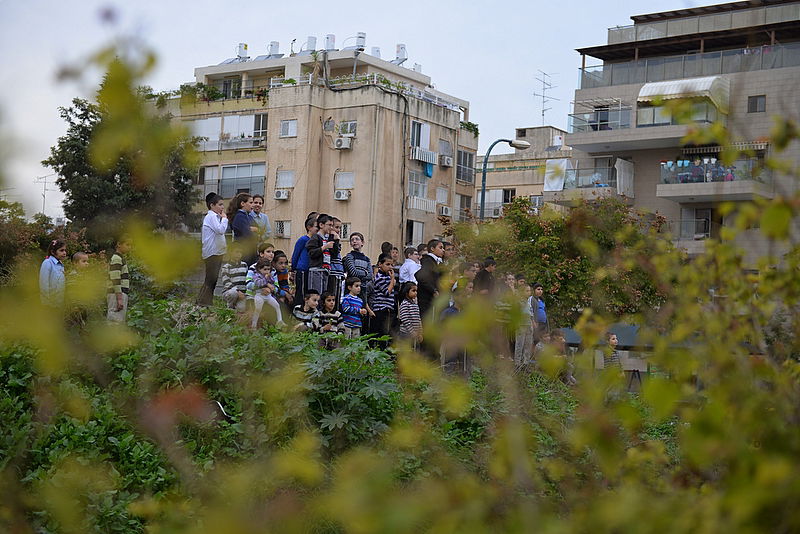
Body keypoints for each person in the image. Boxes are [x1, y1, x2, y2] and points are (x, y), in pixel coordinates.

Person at [197, 193, 228, 307]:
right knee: (210, 280)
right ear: (212, 205)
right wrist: (225, 219)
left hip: (217, 252)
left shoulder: (215, 217)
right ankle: (201, 303)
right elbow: (220, 230)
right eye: (220, 205)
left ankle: (206, 303)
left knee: (212, 280)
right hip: (212, 253)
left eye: (222, 205)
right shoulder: (211, 216)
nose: (222, 207)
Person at [306, 213, 341, 297]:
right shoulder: (316, 237)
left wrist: (336, 241)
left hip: (326, 270)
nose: (331, 228)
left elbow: (335, 254)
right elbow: (311, 252)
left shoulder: (328, 238)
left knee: (323, 295)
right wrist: (324, 247)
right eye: (329, 225)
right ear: (321, 225)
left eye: (332, 225)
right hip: (316, 269)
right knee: (316, 294)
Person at [246, 257, 284, 329]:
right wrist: (266, 282)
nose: (267, 271)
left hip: (268, 296)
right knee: (258, 310)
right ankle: (254, 325)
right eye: (265, 269)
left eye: (268, 269)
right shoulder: (256, 275)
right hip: (259, 295)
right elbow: (258, 283)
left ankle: (280, 321)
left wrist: (270, 281)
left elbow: (273, 283)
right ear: (259, 269)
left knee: (277, 305)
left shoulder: (269, 274)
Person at [291, 215, 318, 307]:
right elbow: (296, 254)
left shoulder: (317, 241)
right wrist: (293, 269)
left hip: (311, 271)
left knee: (308, 293)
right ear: (309, 227)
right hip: (302, 270)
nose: (318, 229)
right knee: (301, 292)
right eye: (316, 226)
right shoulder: (303, 240)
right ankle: (297, 311)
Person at [369, 253, 397, 340]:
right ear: (380, 264)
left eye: (391, 265)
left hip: (388, 308)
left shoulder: (387, 276)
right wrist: (392, 279)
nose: (390, 267)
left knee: (388, 334)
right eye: (387, 264)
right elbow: (387, 292)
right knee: (380, 334)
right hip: (380, 309)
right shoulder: (379, 277)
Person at [415, 239, 445, 319]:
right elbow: (420, 276)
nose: (443, 250)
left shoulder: (438, 262)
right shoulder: (428, 261)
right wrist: (433, 290)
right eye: (440, 248)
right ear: (432, 249)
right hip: (427, 299)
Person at [107, 236, 131, 323]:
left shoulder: (120, 258)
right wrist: (119, 298)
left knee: (119, 320)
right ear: (119, 244)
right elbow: (115, 279)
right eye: (127, 244)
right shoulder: (117, 258)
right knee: (115, 321)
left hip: (119, 293)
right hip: (116, 294)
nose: (129, 247)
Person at [39, 239, 67, 308]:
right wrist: (46, 303)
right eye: (61, 250)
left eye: (65, 250)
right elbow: (43, 284)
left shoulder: (61, 264)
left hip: (59, 303)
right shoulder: (47, 263)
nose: (64, 253)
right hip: (50, 304)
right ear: (52, 252)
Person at [514, 283, 535, 367]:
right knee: (520, 344)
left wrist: (532, 323)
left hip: (528, 325)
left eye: (529, 290)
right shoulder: (518, 302)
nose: (529, 292)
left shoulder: (528, 302)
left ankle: (525, 363)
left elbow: (531, 313)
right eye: (527, 291)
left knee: (528, 344)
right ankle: (517, 363)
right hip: (521, 325)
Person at [397, 281, 422, 346]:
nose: (416, 293)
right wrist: (412, 332)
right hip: (406, 334)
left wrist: (420, 332)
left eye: (416, 291)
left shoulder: (415, 304)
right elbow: (405, 319)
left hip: (415, 334)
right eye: (413, 291)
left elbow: (418, 319)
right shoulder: (404, 304)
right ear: (406, 292)